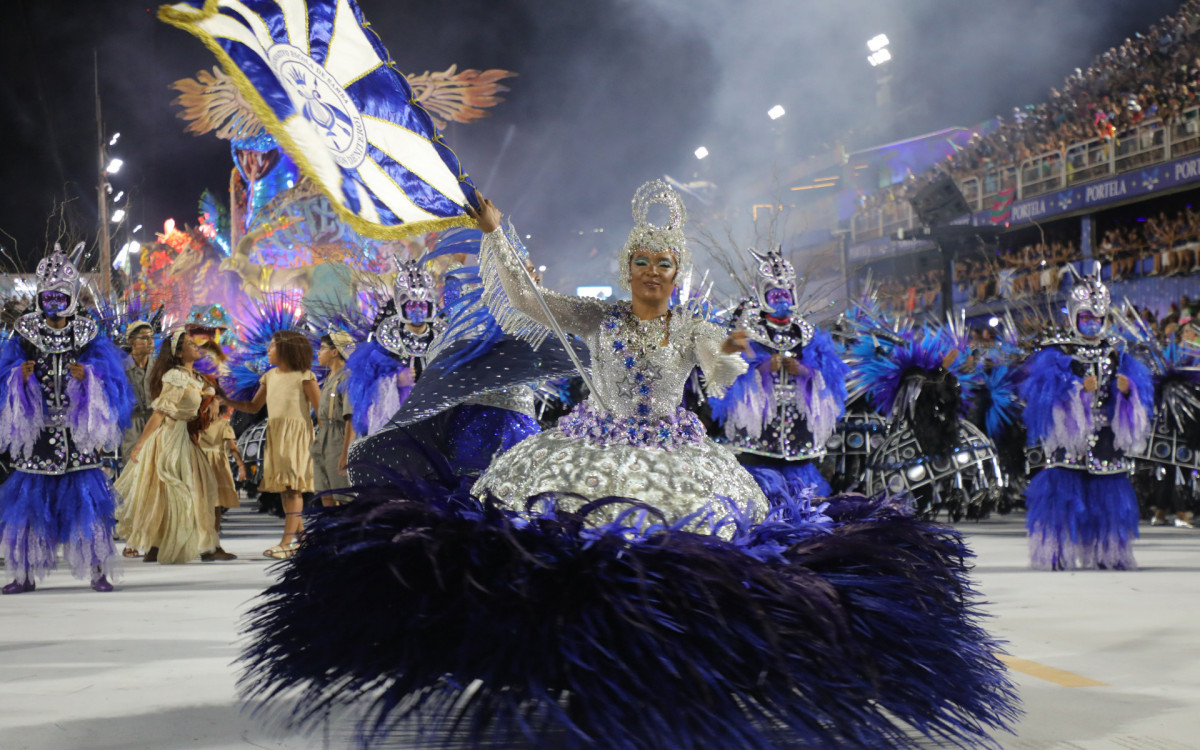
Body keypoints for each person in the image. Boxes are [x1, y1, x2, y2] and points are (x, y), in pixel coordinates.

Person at [469, 182, 767, 526]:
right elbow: (524, 298)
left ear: (676, 274)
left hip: (670, 456)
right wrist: (494, 233)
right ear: (628, 270)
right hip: (591, 448)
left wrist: (727, 348)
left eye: (663, 263)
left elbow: (717, 365)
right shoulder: (599, 317)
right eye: (642, 261)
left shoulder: (690, 328)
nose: (652, 270)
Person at [0, 243, 134, 592]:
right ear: (40, 300)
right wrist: (20, 376)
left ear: (71, 299)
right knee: (28, 509)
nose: (54, 306)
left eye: (61, 299)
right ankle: (24, 574)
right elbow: (4, 373)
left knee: (87, 507)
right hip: (38, 435)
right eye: (49, 299)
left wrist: (87, 377)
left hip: (76, 435)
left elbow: (112, 377)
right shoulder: (25, 334)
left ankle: (97, 571)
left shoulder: (87, 333)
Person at [1020, 271, 1154, 569]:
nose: (1092, 325)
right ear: (1074, 318)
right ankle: (1056, 554)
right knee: (1061, 497)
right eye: (1086, 319)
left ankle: (1108, 554)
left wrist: (1127, 391)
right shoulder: (1059, 352)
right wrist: (1076, 390)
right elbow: (1043, 396)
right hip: (1070, 441)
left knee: (1108, 500)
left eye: (1097, 319)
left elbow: (1139, 393)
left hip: (1105, 440)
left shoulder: (1117, 353)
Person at [710, 247, 849, 500]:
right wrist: (761, 369)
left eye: (785, 295)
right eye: (775, 296)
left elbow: (831, 376)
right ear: (763, 295)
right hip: (758, 438)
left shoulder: (805, 332)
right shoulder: (748, 328)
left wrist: (805, 372)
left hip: (798, 436)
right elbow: (726, 371)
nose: (782, 301)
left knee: (803, 497)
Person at [115, 330, 221, 564]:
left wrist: (213, 397)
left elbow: (205, 391)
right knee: (171, 491)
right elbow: (161, 411)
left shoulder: (191, 376)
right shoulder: (175, 376)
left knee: (195, 489)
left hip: (183, 436)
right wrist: (140, 444)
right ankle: (160, 545)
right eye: (191, 344)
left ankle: (183, 544)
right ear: (179, 352)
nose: (197, 346)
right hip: (170, 437)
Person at [226, 330, 319, 558]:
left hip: (297, 436)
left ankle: (286, 543)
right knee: (286, 490)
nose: (268, 350)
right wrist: (226, 400)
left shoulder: (305, 377)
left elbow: (322, 409)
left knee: (293, 487)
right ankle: (302, 540)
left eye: (272, 346)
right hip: (276, 435)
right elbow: (254, 407)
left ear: (286, 349)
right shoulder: (269, 377)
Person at [345, 261, 440, 437]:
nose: (417, 311)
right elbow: (365, 385)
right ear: (402, 307)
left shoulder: (442, 338)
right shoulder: (385, 342)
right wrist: (393, 380)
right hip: (397, 425)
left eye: (422, 305)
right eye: (412, 306)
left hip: (435, 421)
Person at [195, 404, 245, 559]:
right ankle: (211, 545)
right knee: (213, 507)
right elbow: (232, 447)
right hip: (214, 466)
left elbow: (232, 447)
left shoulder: (198, 425)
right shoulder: (222, 425)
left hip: (202, 464)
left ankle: (209, 544)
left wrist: (240, 465)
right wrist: (241, 465)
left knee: (207, 506)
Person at [312, 331, 354, 505]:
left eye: (322, 348)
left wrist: (345, 454)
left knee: (344, 494)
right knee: (325, 491)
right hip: (324, 438)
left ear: (335, 351)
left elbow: (350, 419)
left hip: (339, 439)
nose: (318, 353)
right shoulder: (329, 378)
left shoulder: (347, 377)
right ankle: (328, 530)